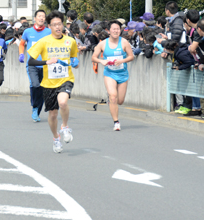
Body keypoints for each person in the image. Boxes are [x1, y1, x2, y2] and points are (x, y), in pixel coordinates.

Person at [28, 10, 79, 153]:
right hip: (49, 83)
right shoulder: (44, 41)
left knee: (63, 102)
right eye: (54, 25)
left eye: (59, 24)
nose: (57, 27)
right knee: (52, 114)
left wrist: (75, 63)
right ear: (49, 26)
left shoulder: (71, 41)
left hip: (66, 79)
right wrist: (46, 61)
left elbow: (74, 58)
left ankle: (65, 127)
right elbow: (31, 61)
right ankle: (56, 138)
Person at [91, 20, 134, 131]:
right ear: (109, 31)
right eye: (113, 29)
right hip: (109, 73)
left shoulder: (124, 42)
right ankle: (116, 122)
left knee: (120, 101)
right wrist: (101, 61)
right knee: (113, 96)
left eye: (118, 29)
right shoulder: (102, 44)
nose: (116, 31)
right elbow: (93, 57)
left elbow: (131, 56)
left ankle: (112, 100)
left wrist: (122, 61)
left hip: (122, 74)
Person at [18, 9, 51, 120]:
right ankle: (35, 107)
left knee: (42, 89)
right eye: (39, 16)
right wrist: (21, 54)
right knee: (35, 85)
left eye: (43, 16)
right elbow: (22, 44)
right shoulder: (28, 32)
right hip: (32, 64)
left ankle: (36, 110)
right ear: (35, 18)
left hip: (45, 65)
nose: (41, 18)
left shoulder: (49, 32)